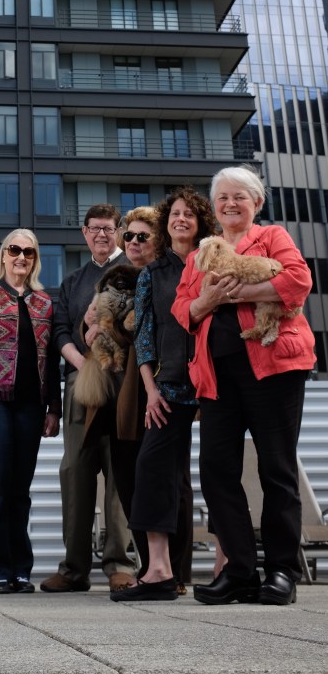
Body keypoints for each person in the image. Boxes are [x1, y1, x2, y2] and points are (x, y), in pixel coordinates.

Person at [172, 165, 315, 606]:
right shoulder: (200, 253)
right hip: (217, 376)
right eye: (223, 197)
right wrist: (206, 300)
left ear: (257, 203)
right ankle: (239, 570)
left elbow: (298, 280)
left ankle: (282, 571)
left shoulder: (271, 237)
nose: (230, 204)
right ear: (214, 207)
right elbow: (182, 308)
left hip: (274, 369)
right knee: (216, 471)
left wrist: (237, 294)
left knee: (277, 469)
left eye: (240, 196)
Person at [112, 188, 216, 601]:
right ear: (165, 223)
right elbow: (144, 337)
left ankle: (229, 566)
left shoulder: (214, 261)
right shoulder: (153, 274)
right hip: (169, 386)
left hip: (215, 384)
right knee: (152, 469)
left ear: (200, 222)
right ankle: (158, 570)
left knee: (219, 472)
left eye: (190, 213)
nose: (181, 219)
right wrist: (151, 391)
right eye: (175, 213)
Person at [40, 205, 135, 595]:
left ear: (118, 232)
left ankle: (120, 564)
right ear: (84, 233)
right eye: (95, 229)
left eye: (108, 229)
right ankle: (74, 568)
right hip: (82, 381)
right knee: (75, 471)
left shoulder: (132, 271)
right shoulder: (73, 281)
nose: (101, 235)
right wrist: (81, 361)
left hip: (124, 380)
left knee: (120, 472)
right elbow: (59, 330)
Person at [0, 229, 61, 593]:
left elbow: (52, 359)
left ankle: (21, 570)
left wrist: (54, 408)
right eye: (15, 250)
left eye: (28, 252)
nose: (21, 257)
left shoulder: (45, 303)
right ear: (3, 255)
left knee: (21, 490)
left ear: (35, 260)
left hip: (31, 407)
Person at [83, 205, 159, 580]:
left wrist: (108, 327)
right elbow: (86, 327)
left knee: (157, 479)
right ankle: (149, 567)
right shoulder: (108, 278)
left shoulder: (158, 274)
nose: (132, 241)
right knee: (124, 479)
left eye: (141, 236)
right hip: (112, 391)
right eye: (129, 236)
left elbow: (139, 332)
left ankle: (167, 571)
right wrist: (91, 328)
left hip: (151, 389)